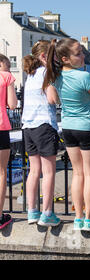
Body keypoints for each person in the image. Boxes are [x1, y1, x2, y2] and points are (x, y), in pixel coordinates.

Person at [43, 38, 90, 232]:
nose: (83, 56)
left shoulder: (56, 77)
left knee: (77, 173)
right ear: (65, 58)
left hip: (67, 127)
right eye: (78, 53)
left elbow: (55, 99)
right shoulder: (84, 77)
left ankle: (78, 217)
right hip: (87, 127)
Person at [22, 40, 61, 227]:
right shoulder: (46, 73)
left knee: (34, 171)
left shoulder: (30, 75)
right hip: (44, 124)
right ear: (44, 57)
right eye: (53, 57)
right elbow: (52, 99)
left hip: (28, 126)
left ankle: (32, 211)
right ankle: (47, 213)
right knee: (49, 171)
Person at [0, 54, 17, 230]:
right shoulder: (6, 77)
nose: (9, 70)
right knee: (1, 172)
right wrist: (9, 82)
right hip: (0, 127)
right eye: (7, 66)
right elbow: (12, 104)